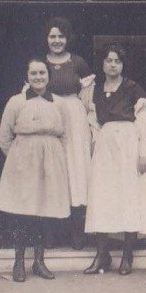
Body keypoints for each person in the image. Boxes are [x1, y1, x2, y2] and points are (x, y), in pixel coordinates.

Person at [81, 44, 146, 276]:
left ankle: (127, 254)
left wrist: (144, 152)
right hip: (106, 148)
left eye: (117, 61)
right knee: (102, 197)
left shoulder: (133, 88)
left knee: (129, 195)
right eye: (108, 60)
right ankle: (102, 255)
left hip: (128, 146)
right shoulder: (94, 90)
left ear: (123, 65)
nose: (112, 64)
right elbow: (93, 119)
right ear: (103, 64)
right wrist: (96, 141)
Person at [0, 59, 72, 282]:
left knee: (44, 211)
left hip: (50, 163)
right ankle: (19, 262)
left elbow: (64, 136)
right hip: (23, 163)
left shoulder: (59, 103)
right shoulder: (16, 102)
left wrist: (55, 158)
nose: (38, 77)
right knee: (22, 212)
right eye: (34, 73)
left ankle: (39, 261)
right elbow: (4, 137)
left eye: (42, 73)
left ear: (48, 76)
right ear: (26, 77)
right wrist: (19, 159)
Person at [42, 17, 95, 250]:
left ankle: (77, 232)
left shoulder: (79, 63)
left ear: (67, 38)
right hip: (50, 116)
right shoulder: (40, 63)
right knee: (53, 171)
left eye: (61, 36)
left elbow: (88, 98)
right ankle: (52, 233)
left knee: (76, 170)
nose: (56, 41)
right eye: (52, 36)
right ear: (46, 38)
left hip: (74, 119)